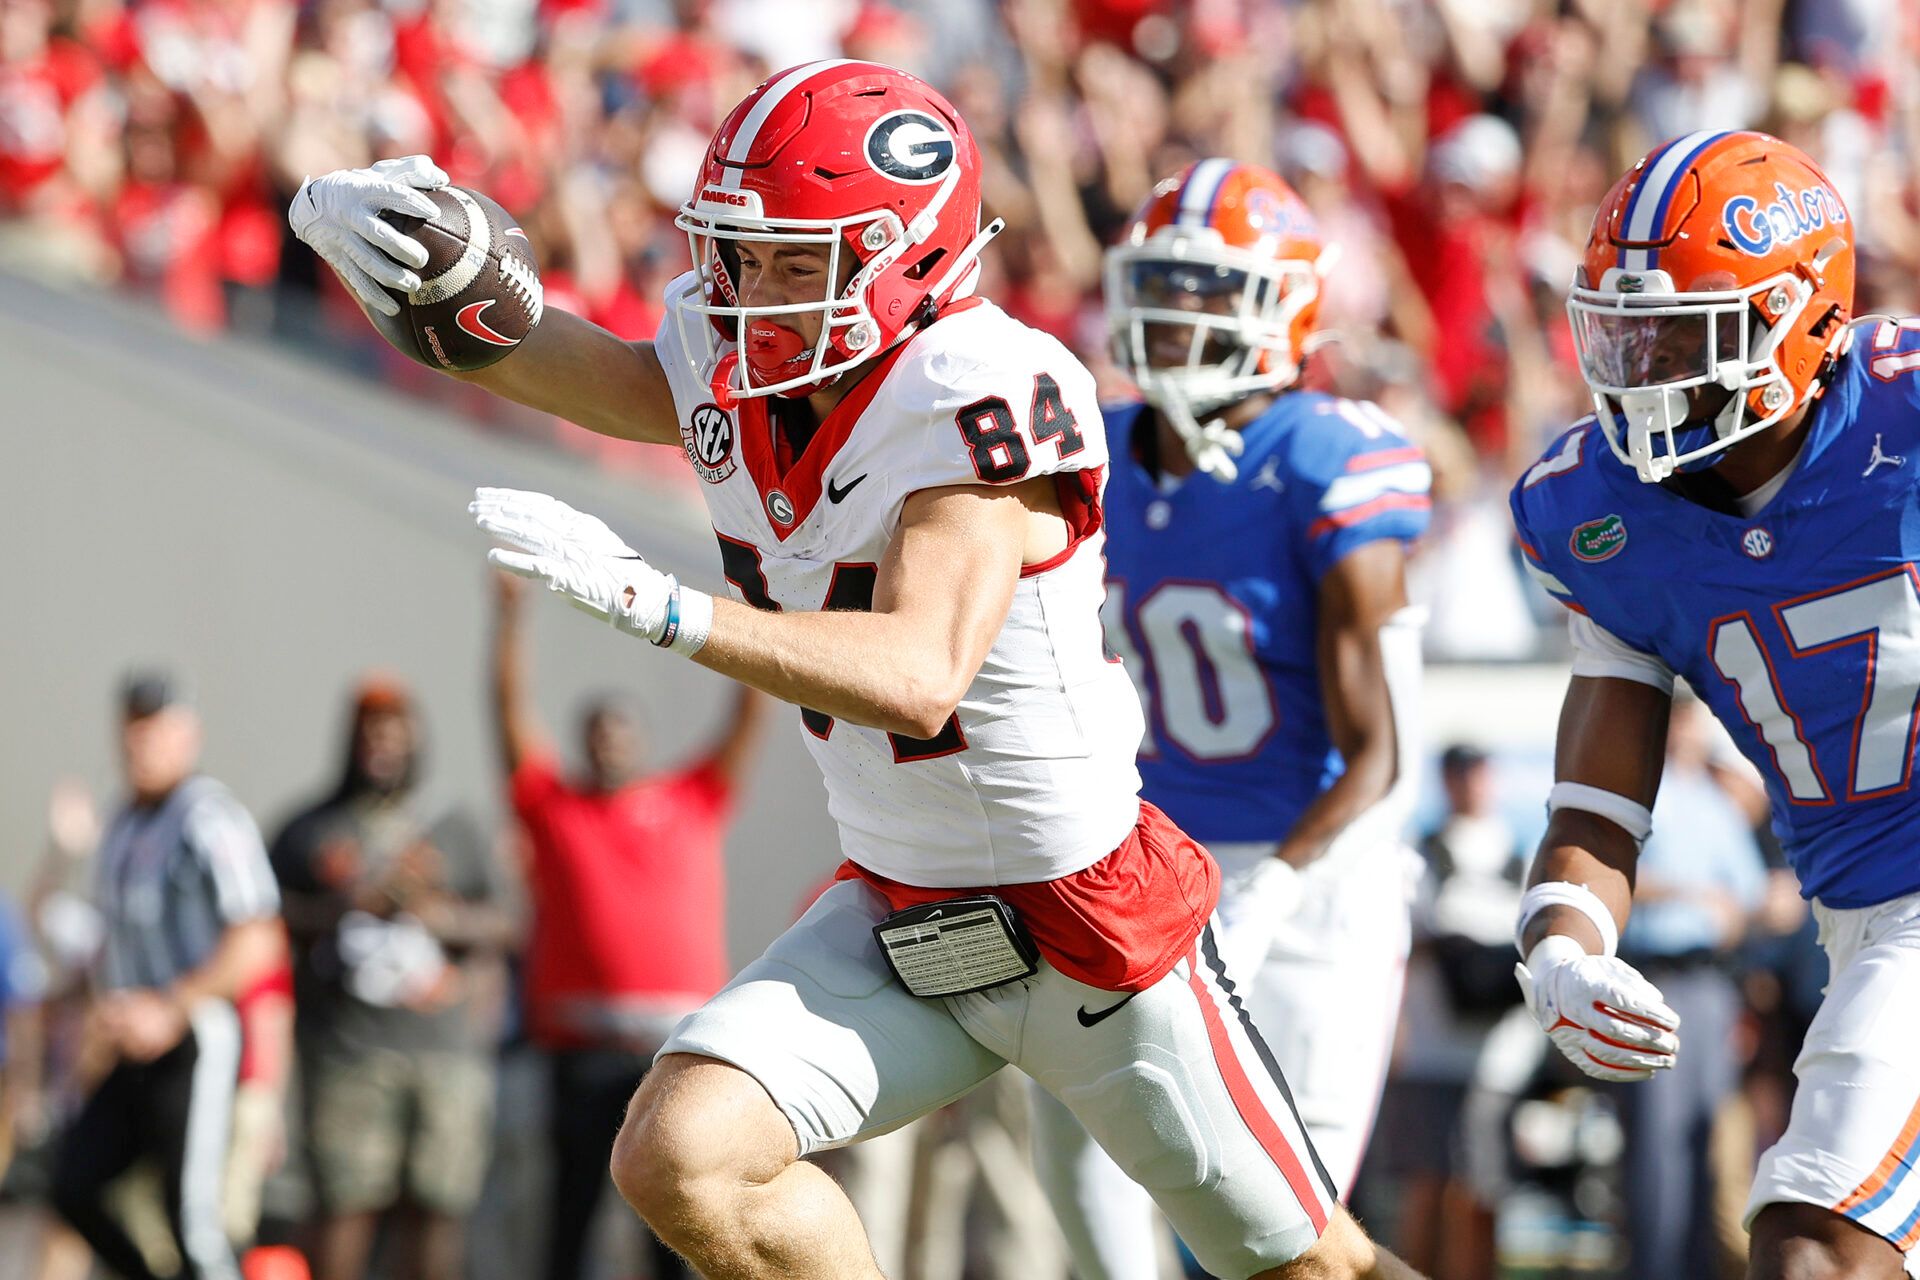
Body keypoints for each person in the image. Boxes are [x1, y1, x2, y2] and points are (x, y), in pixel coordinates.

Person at [291, 59, 1423, 1280]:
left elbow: (919, 668)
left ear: (908, 257)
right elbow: (595, 371)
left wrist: (663, 607)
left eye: (793, 261)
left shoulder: (981, 384)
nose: (747, 292)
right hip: (902, 900)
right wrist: (433, 283)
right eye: (736, 251)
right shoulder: (735, 351)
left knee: (1317, 1268)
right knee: (679, 1153)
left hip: (1091, 915)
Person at [1509, 129, 1920, 1280]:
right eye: (1624, 331)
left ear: (1807, 318)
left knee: (1815, 1246)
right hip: (1866, 920)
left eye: (1683, 334)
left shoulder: (1909, 414)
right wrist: (1561, 947)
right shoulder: (1594, 513)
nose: (1642, 371)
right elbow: (1594, 805)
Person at [1023, 159, 1428, 1280]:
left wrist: (1276, 885)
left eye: (1206, 288)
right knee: (1099, 1207)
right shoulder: (1088, 446)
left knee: (1278, 1249)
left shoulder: (1324, 457)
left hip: (1310, 889)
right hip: (1144, 872)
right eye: (1160, 283)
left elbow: (1380, 749)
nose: (1174, 312)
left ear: (1284, 305)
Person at [490, 569, 769, 1280]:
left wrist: (754, 625)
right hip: (581, 1054)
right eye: (598, 732)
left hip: (673, 1053)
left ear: (639, 739)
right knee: (571, 1216)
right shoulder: (556, 809)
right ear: (585, 742)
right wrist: (510, 620)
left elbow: (749, 715)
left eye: (621, 730)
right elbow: (508, 715)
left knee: (668, 1227)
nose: (610, 742)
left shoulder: (690, 797)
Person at [269, 677, 510, 1280]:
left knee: (436, 1205)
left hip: (444, 1052)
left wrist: (437, 913)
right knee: (346, 1201)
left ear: (416, 741)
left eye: (395, 734)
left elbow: (505, 924)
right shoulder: (310, 828)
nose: (383, 746)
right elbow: (272, 920)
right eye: (370, 734)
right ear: (350, 741)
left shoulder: (454, 824)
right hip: (348, 1052)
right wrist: (353, 903)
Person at [50, 673, 284, 1280]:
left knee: (194, 1222)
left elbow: (257, 936)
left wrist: (173, 1004)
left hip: (193, 1040)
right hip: (131, 1049)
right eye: (131, 730)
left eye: (154, 729)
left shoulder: (209, 817)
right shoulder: (123, 825)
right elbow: (110, 940)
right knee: (74, 1186)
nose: (140, 745)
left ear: (187, 735)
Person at [1608, 694, 1767, 1277]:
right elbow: (1610, 877)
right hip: (1655, 978)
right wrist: (1689, 894)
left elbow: (1750, 897)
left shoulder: (1714, 802)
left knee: (1707, 1140)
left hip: (1711, 985)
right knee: (1656, 1146)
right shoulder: (1636, 796)